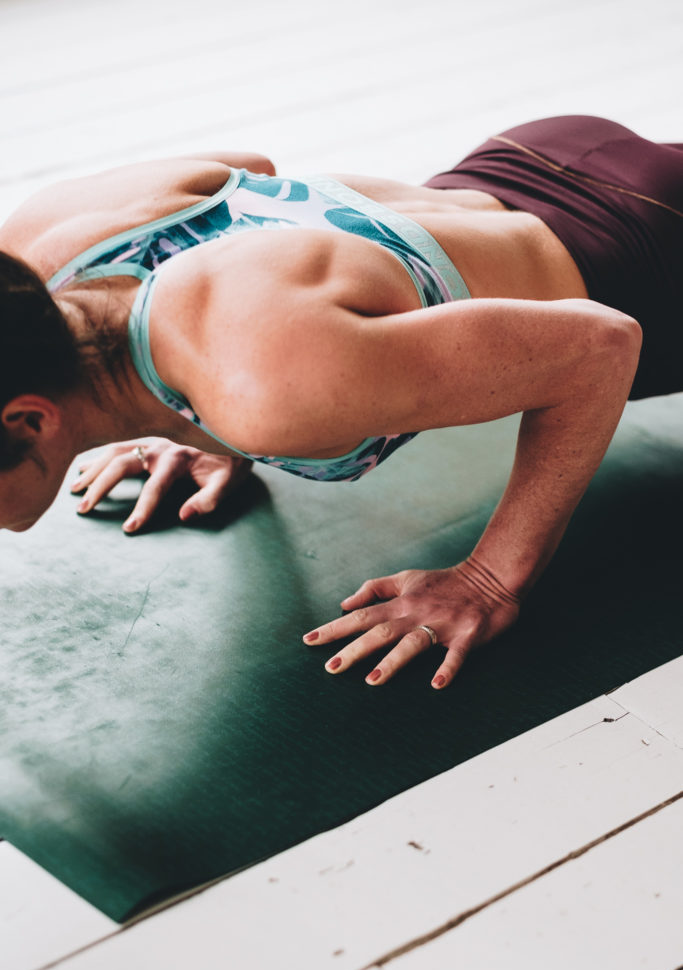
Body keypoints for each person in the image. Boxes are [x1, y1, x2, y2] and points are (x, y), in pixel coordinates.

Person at [1, 115, 680, 690]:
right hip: (531, 158)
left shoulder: (259, 391)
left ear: (30, 419)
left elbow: (599, 347)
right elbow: (248, 172)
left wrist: (488, 580)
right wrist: (195, 419)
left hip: (652, 261)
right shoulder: (39, 245)